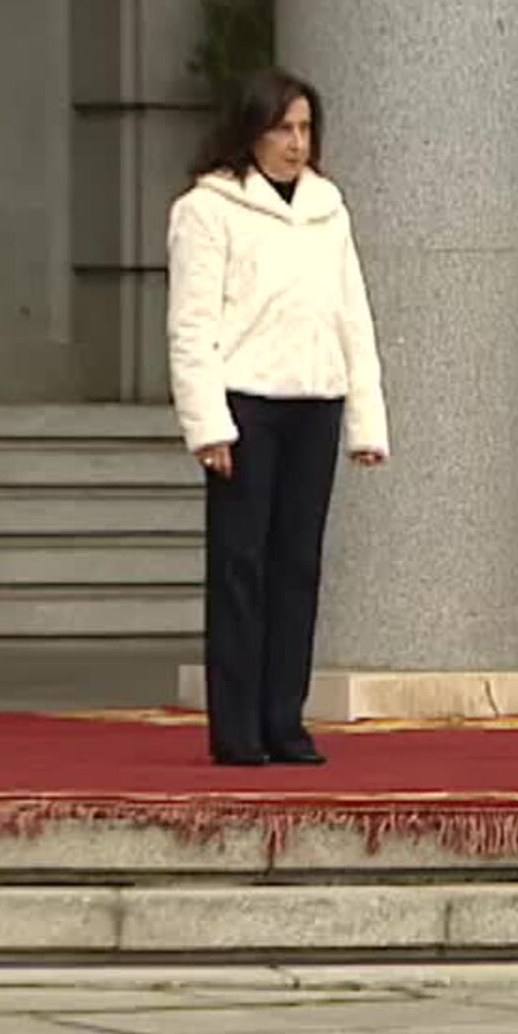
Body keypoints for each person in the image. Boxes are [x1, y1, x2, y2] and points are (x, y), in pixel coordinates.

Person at [167, 69, 390, 766]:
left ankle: (284, 719)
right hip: (245, 405)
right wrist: (207, 425)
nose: (297, 144)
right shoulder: (207, 210)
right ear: (251, 132)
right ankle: (237, 729)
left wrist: (366, 423)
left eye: (304, 129)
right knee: (241, 566)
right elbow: (191, 325)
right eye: (282, 129)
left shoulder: (329, 206)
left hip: (315, 402)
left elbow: (354, 317)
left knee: (298, 566)